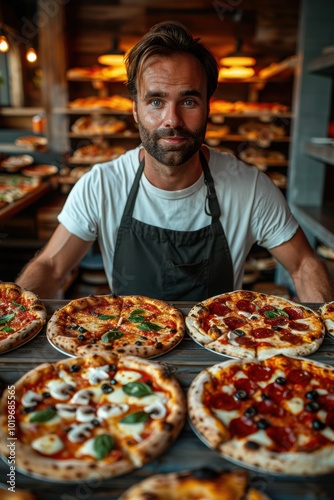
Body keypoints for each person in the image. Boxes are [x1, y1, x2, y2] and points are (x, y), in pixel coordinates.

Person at [16, 21, 333, 302]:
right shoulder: (101, 185)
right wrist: (15, 317)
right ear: (135, 110)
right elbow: (51, 266)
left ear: (208, 106)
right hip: (126, 361)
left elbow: (304, 264)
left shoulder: (250, 188)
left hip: (222, 356)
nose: (172, 119)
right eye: (156, 101)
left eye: (189, 100)